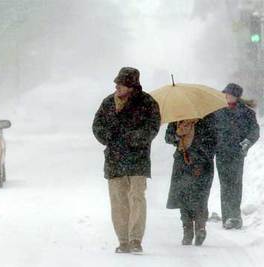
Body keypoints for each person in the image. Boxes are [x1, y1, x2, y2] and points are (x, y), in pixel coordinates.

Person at [92, 67, 161, 253]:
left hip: (138, 159)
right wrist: (108, 136)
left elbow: (153, 127)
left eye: (121, 84)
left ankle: (135, 239)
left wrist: (134, 138)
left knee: (137, 197)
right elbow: (97, 125)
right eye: (116, 83)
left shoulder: (147, 102)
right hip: (115, 159)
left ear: (131, 86)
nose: (117, 87)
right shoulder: (108, 103)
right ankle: (123, 240)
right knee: (118, 200)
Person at [165, 115, 216, 246]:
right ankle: (187, 230)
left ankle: (200, 227)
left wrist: (199, 159)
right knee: (183, 197)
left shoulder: (207, 118)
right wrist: (177, 136)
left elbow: (213, 141)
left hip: (203, 164)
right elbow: (168, 137)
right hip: (182, 162)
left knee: (200, 197)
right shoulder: (177, 119)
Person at [215, 83, 260, 230]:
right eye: (225, 94)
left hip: (237, 154)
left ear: (236, 96)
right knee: (225, 185)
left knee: (235, 185)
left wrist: (247, 142)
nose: (227, 96)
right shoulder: (218, 112)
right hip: (221, 154)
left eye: (229, 94)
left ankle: (235, 216)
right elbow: (211, 132)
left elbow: (254, 132)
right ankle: (227, 217)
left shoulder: (247, 113)